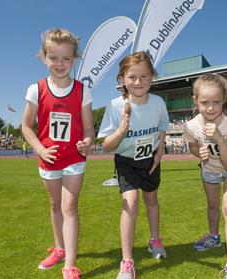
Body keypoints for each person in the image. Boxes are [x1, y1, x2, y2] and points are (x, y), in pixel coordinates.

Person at [21, 28, 95, 279]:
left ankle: (70, 265)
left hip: (74, 158)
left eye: (66, 58)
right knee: (55, 206)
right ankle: (60, 249)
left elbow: (88, 128)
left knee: (69, 206)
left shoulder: (82, 90)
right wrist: (41, 148)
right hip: (49, 158)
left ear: (74, 60)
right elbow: (26, 126)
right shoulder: (36, 89)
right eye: (54, 58)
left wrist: (87, 141)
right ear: (44, 57)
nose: (60, 63)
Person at [97, 51, 169, 279]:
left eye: (144, 77)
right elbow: (107, 145)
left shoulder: (158, 103)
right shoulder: (116, 106)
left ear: (152, 77)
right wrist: (120, 130)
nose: (138, 82)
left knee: (151, 200)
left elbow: (162, 129)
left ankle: (154, 240)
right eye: (132, 77)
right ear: (122, 79)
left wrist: (159, 153)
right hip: (127, 162)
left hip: (150, 161)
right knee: (130, 202)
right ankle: (127, 261)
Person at [183, 73, 227, 279]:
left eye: (216, 102)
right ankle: (214, 236)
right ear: (196, 101)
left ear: (223, 101)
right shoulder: (191, 125)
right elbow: (193, 145)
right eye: (205, 103)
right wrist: (198, 153)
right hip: (210, 169)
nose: (211, 108)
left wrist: (219, 137)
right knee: (212, 205)